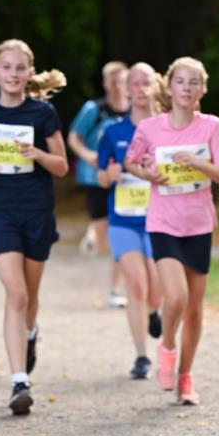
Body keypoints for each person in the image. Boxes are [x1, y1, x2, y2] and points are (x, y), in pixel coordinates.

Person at [0, 39, 68, 414]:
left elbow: (62, 166)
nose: (12, 74)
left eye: (19, 68)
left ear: (28, 73)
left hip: (37, 209)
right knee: (17, 294)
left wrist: (38, 154)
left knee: (31, 296)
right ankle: (19, 382)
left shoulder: (43, 114)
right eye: (6, 67)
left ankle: (31, 333)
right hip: (0, 208)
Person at [125, 56, 219, 405]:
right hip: (163, 222)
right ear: (169, 87)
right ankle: (167, 346)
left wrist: (198, 162)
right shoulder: (150, 128)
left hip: (199, 223)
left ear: (202, 89)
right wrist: (147, 174)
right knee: (176, 298)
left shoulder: (212, 127)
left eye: (194, 83)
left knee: (195, 310)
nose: (187, 89)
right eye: (181, 82)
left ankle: (185, 377)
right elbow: (131, 160)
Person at [97, 63, 162, 379]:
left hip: (160, 218)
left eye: (145, 82)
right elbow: (100, 175)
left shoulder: (167, 127)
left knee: (156, 282)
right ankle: (141, 357)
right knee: (135, 284)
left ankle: (154, 310)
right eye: (133, 83)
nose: (139, 88)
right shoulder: (112, 131)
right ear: (126, 89)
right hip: (123, 220)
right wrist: (107, 176)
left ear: (156, 86)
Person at [67, 61, 129, 307]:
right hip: (95, 176)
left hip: (126, 179)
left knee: (120, 232)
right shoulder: (93, 109)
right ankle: (93, 236)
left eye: (121, 80)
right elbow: (73, 136)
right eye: (112, 81)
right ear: (104, 83)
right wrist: (87, 155)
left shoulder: (136, 110)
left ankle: (116, 289)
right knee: (102, 224)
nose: (117, 86)